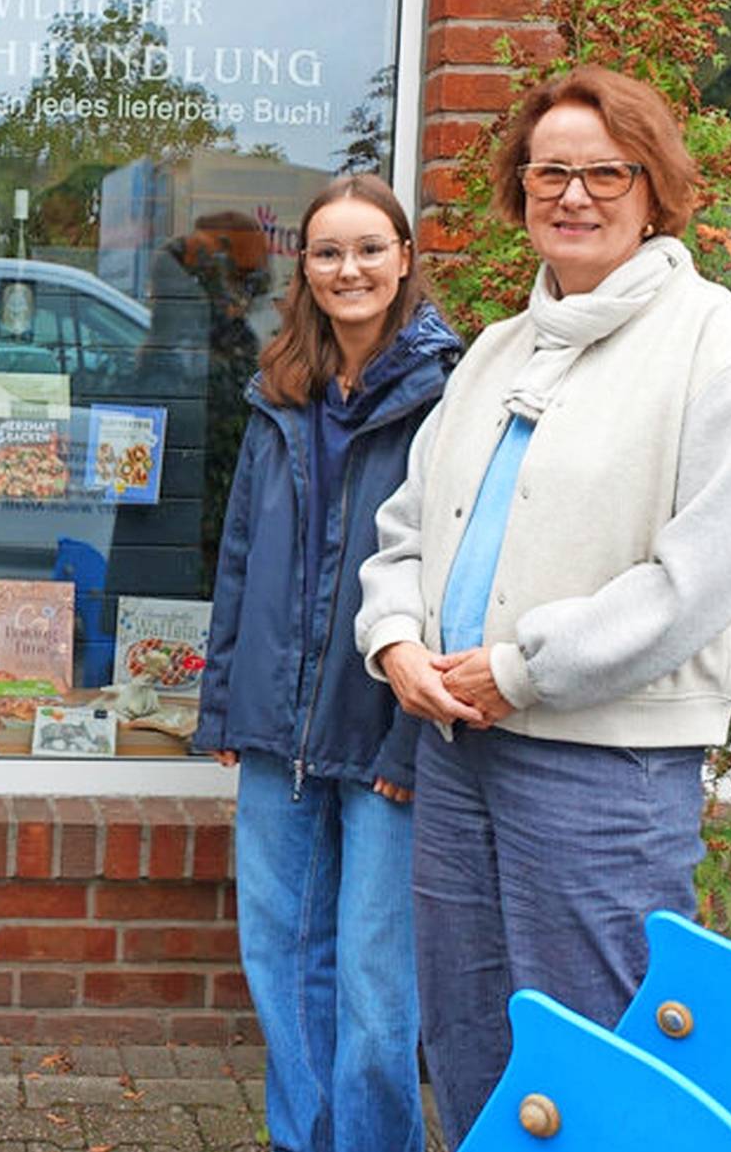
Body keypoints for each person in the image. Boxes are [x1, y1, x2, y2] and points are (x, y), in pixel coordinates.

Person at [355, 66, 731, 1147]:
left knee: (599, 1052)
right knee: (467, 1033)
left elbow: (704, 575)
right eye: (550, 170)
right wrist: (397, 640)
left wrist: (521, 670)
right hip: (458, 749)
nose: (576, 194)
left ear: (655, 189)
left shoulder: (721, 347)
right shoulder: (502, 349)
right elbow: (412, 526)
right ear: (521, 190)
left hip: (604, 767)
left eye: (607, 170)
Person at [194, 174, 460, 1152]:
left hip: (387, 725)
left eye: (369, 249)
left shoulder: (449, 391)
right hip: (276, 726)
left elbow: (457, 575)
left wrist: (411, 736)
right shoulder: (279, 389)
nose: (349, 269)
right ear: (304, 266)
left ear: (403, 259)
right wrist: (225, 704)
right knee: (281, 964)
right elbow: (238, 556)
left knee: (377, 988)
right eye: (328, 251)